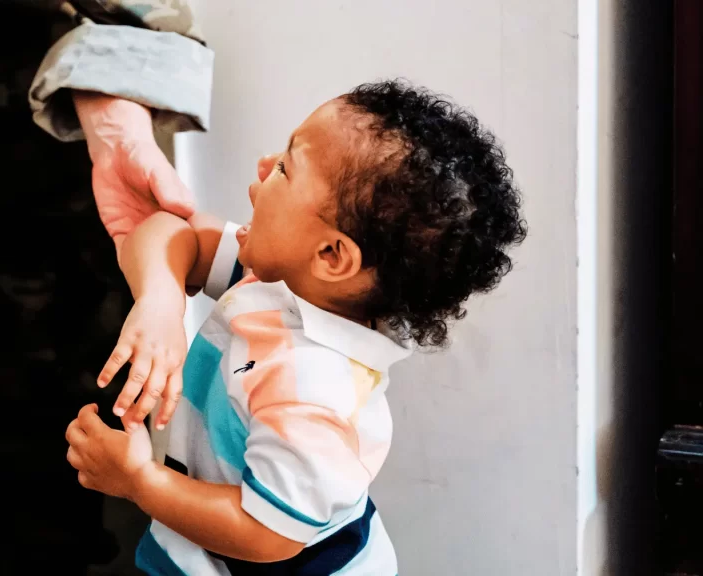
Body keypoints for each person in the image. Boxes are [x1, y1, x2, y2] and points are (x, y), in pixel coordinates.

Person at [65, 80, 528, 574]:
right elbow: (167, 231)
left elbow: (266, 535)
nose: (265, 164)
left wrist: (138, 480)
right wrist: (160, 301)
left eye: (286, 167)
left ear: (331, 255)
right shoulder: (281, 281)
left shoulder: (312, 392)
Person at [0, 1, 212, 573]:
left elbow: (154, 18)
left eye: (287, 169)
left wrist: (111, 125)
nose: (264, 167)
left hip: (52, 169)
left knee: (56, 402)